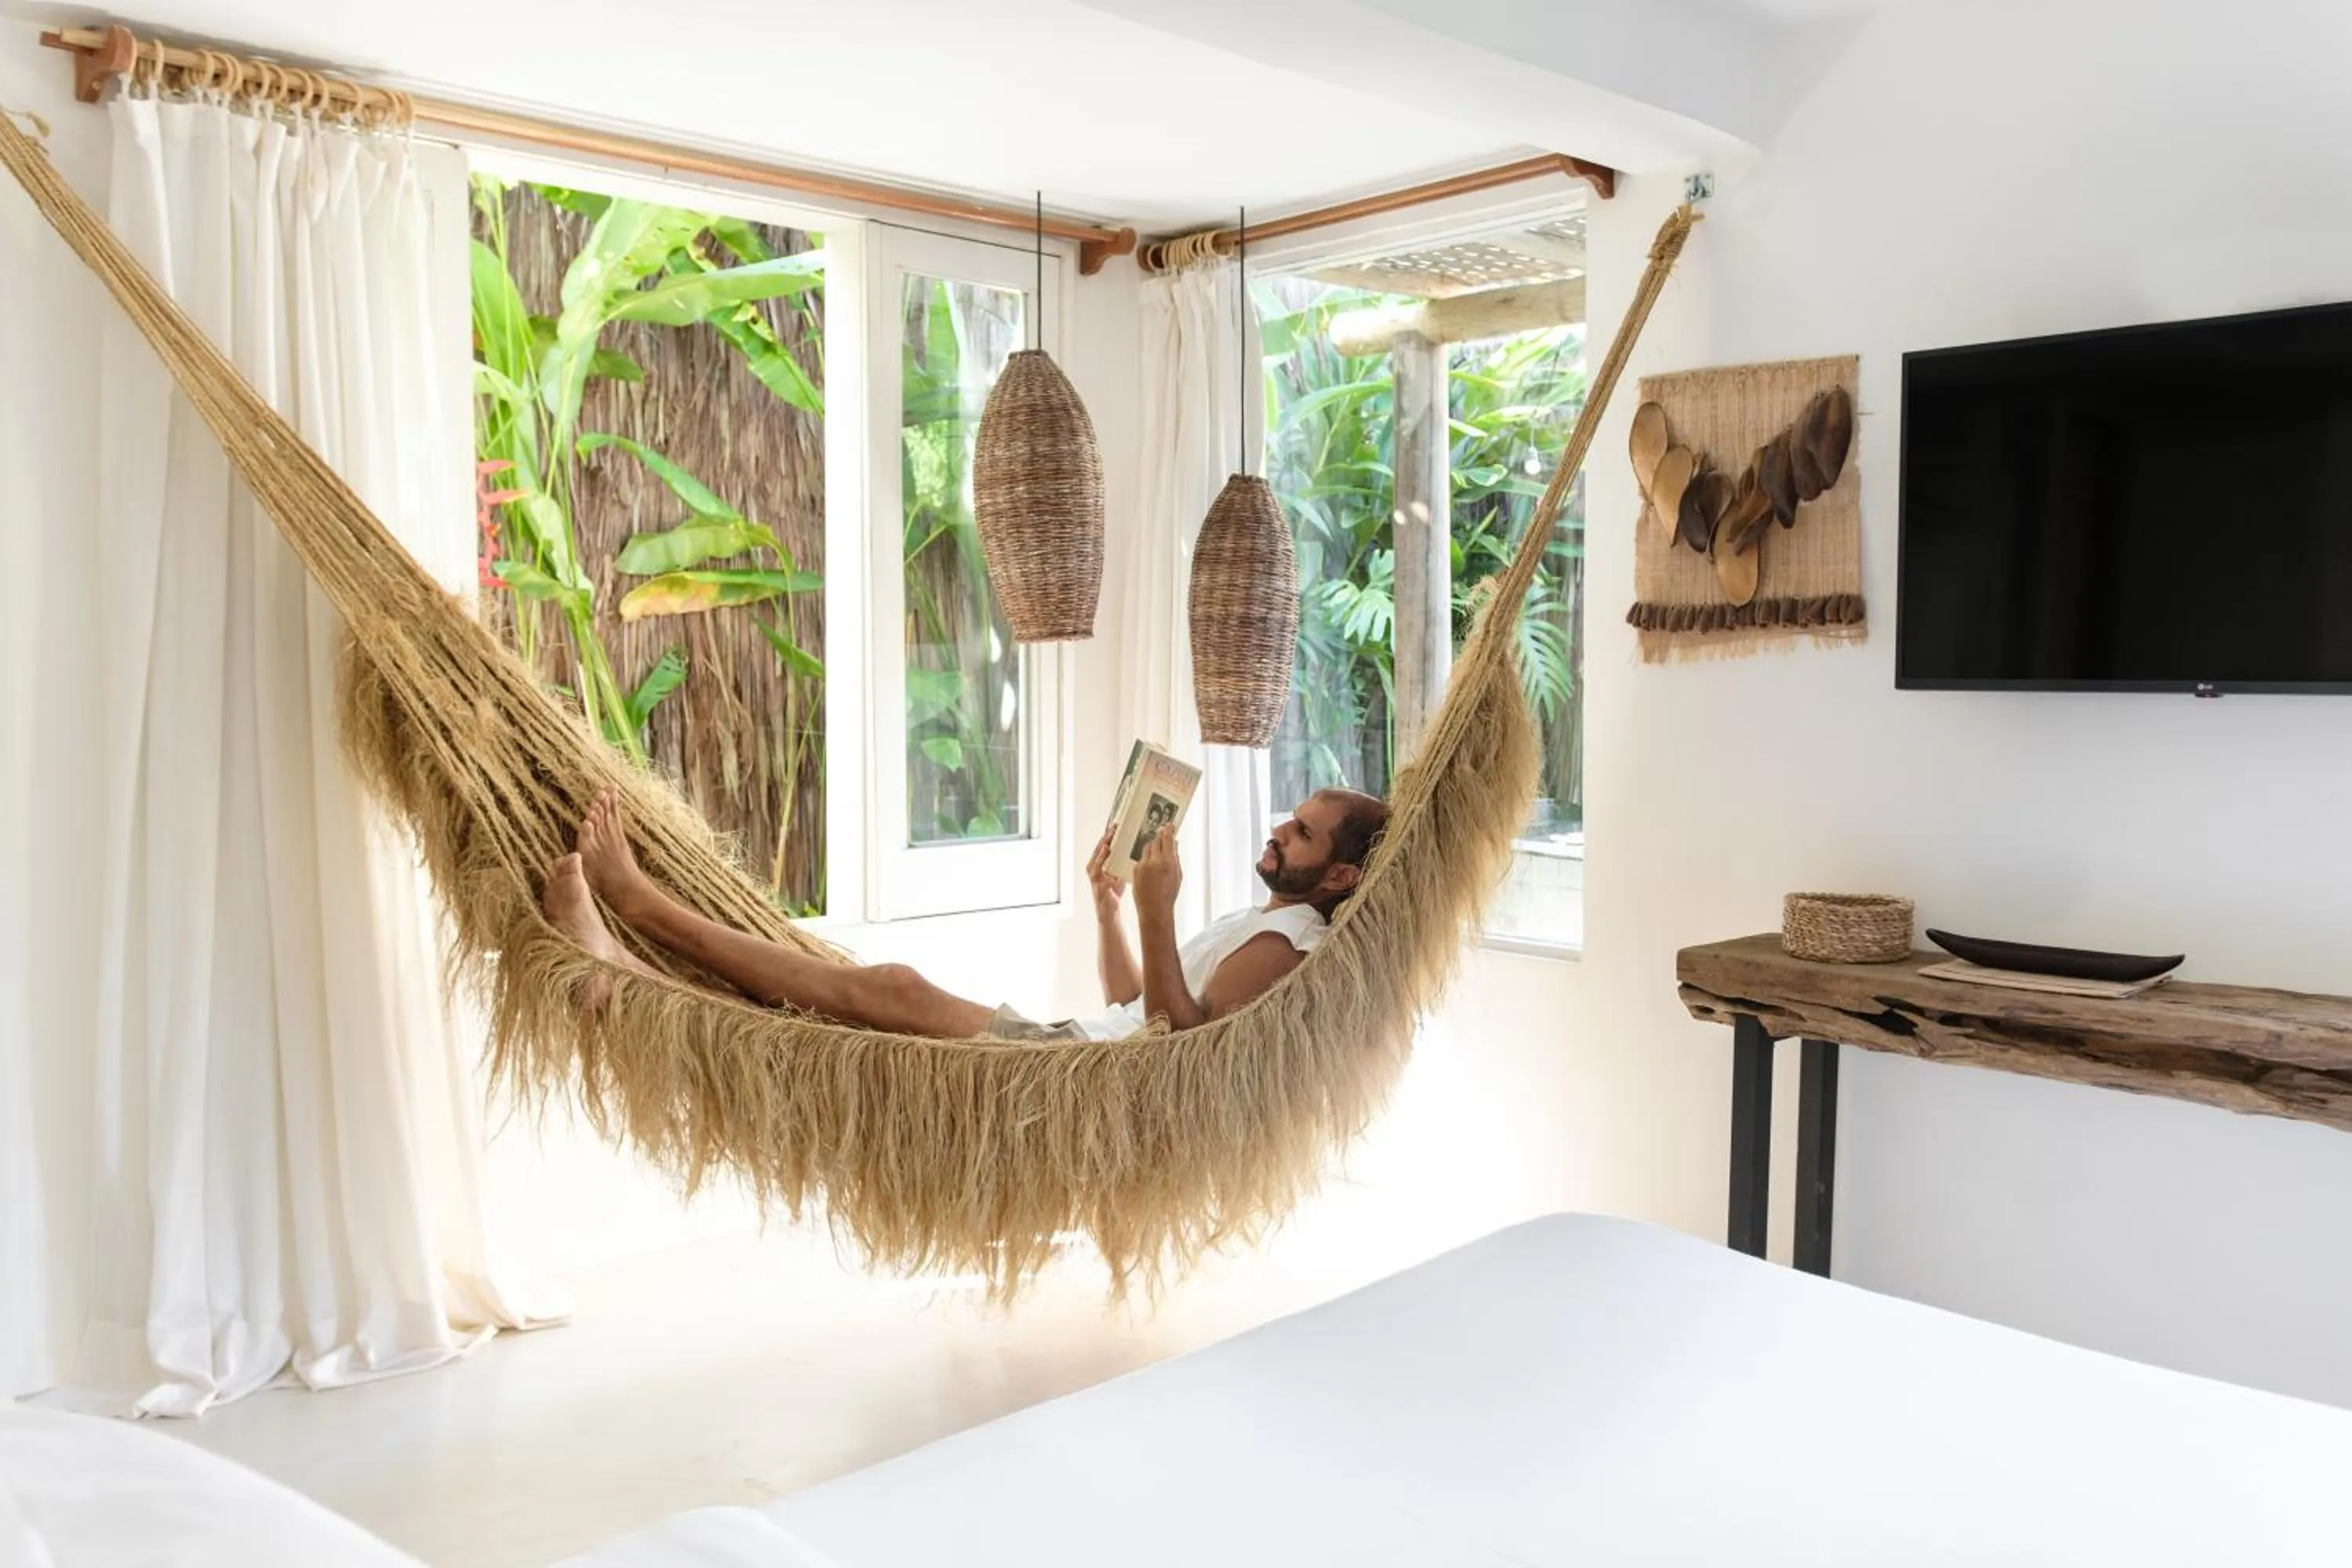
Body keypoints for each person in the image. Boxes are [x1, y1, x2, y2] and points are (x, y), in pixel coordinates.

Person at [542, 786, 1389, 1041]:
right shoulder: (1260, 918)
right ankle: (625, 983)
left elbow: (1184, 1050)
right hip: (1081, 1044)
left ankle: (638, 906)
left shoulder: (1289, 940)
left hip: (1079, 1077)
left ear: (1341, 871)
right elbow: (1138, 1004)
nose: (1281, 828)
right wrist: (1111, 908)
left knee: (887, 989)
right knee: (820, 1024)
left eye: (1303, 832)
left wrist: (1160, 910)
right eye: (1290, 816)